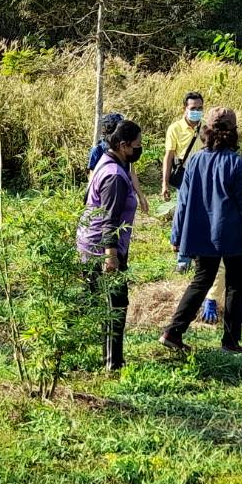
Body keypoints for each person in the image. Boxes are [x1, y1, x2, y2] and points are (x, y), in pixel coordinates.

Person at [160, 107, 242, 354]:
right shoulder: (238, 164)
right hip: (232, 234)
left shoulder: (195, 161)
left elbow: (183, 201)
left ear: (207, 131)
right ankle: (230, 342)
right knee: (235, 285)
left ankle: (173, 332)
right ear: (233, 133)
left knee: (201, 281)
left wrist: (176, 235)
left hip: (202, 232)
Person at [76, 119, 143, 372]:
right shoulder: (114, 175)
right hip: (101, 248)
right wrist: (111, 256)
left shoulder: (108, 161)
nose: (139, 149)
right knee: (115, 306)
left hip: (92, 243)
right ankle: (112, 364)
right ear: (123, 145)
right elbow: (110, 220)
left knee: (97, 301)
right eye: (137, 145)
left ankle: (97, 356)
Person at [161, 91, 204, 271]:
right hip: (185, 175)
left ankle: (199, 255)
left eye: (200, 108)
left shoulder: (206, 127)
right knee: (184, 212)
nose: (197, 111)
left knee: (202, 214)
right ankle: (182, 257)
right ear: (184, 109)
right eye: (193, 108)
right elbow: (169, 157)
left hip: (204, 175)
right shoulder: (175, 128)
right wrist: (164, 183)